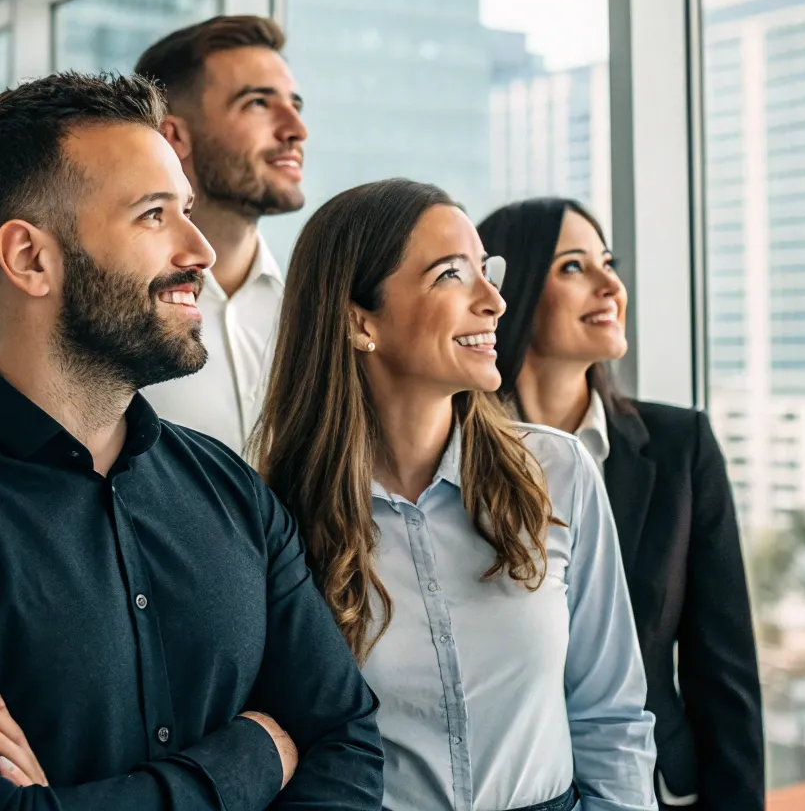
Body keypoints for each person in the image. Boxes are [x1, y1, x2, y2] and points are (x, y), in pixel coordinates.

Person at [0, 72, 383, 811]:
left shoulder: (232, 492)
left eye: (188, 211)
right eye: (153, 216)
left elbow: (345, 741)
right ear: (30, 259)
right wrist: (250, 759)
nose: (200, 250)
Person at [250, 178, 658, 811]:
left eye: (485, 272)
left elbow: (612, 715)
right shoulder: (274, 512)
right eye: (450, 275)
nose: (494, 300)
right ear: (360, 320)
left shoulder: (559, 470)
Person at [476, 197, 763, 811]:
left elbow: (725, 672)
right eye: (574, 267)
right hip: (509, 790)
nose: (611, 284)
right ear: (513, 288)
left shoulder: (681, 447)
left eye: (609, 262)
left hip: (659, 792)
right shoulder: (456, 460)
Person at [134, 16, 306, 456]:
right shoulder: (115, 320)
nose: (295, 130)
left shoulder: (311, 319)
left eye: (295, 106)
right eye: (258, 104)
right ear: (174, 136)